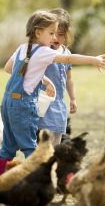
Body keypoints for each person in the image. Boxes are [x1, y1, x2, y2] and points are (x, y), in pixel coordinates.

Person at [0, 9, 105, 176]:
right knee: (31, 147)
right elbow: (69, 59)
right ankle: (33, 181)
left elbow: (9, 68)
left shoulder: (22, 48)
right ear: (38, 32)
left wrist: (42, 80)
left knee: (7, 146)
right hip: (23, 104)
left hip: (7, 102)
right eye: (51, 33)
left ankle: (0, 181)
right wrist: (93, 60)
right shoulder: (44, 51)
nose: (53, 38)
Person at [38, 8, 76, 146]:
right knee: (43, 139)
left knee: (57, 138)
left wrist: (73, 98)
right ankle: (41, 163)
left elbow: (69, 79)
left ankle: (53, 163)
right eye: (52, 34)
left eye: (60, 35)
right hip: (43, 101)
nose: (56, 38)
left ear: (66, 35)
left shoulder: (66, 53)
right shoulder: (42, 52)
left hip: (59, 103)